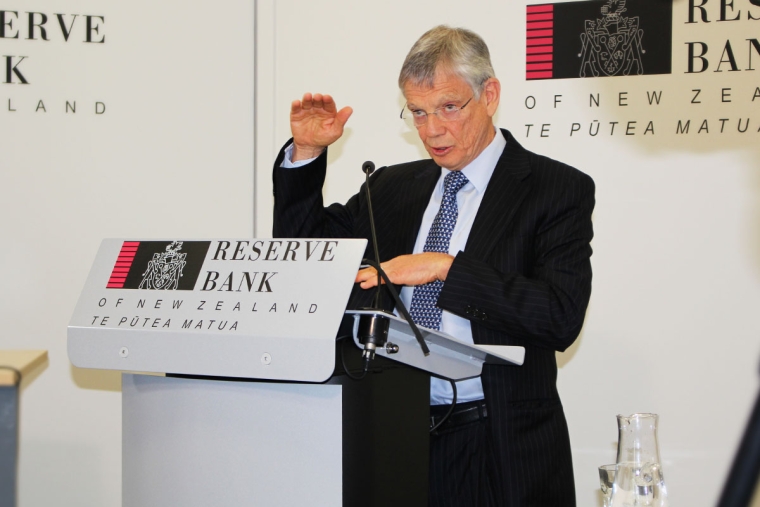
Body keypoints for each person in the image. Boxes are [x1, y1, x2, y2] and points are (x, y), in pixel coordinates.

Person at [272, 25, 594, 507]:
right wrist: (307, 153)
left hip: (497, 443)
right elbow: (306, 257)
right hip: (391, 435)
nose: (431, 130)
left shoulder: (554, 188)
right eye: (418, 112)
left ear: (489, 95)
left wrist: (446, 268)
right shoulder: (390, 187)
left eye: (448, 107)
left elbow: (559, 316)